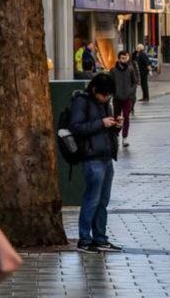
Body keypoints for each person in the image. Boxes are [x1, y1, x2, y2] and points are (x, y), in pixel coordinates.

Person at [69, 73, 122, 254]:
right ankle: (85, 239)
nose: (106, 98)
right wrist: (101, 123)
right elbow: (75, 127)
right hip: (91, 158)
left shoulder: (104, 103)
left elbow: (108, 130)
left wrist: (116, 125)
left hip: (106, 157)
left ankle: (100, 238)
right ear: (94, 90)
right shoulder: (81, 101)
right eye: (104, 94)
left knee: (103, 200)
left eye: (109, 95)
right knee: (92, 199)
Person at [110, 51, 138, 148]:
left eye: (126, 58)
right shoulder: (113, 70)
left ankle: (125, 138)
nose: (124, 60)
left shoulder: (130, 69)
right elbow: (110, 82)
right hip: (117, 98)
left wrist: (131, 91)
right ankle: (116, 135)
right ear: (118, 59)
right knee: (116, 117)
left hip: (127, 98)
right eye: (122, 58)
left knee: (126, 117)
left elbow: (135, 82)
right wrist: (113, 92)